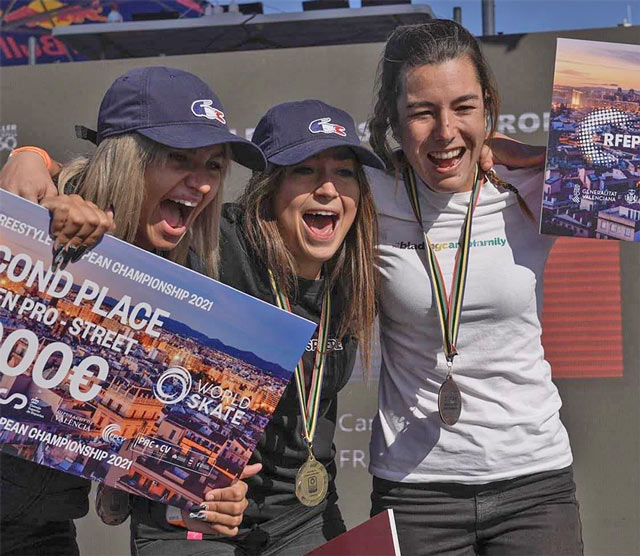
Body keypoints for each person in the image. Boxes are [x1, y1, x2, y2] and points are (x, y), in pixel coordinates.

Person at [1, 99, 385, 555]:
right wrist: (32, 157)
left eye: (344, 173)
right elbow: (117, 192)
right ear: (268, 188)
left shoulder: (351, 273)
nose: (327, 188)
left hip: (302, 519)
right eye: (304, 171)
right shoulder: (216, 247)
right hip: (187, 521)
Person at [0, 65, 266, 555]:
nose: (203, 183)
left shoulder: (170, 274)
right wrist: (28, 205)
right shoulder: (40, 210)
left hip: (43, 532)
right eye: (179, 158)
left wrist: (201, 496)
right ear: (127, 158)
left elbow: (115, 490)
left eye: (213, 165)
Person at [366, 20, 583, 556]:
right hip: (414, 494)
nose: (445, 132)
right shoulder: (367, 194)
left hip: (534, 486)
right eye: (422, 112)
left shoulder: (531, 185)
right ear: (393, 119)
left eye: (464, 108)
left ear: (488, 106)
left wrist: (538, 150)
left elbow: (627, 164)